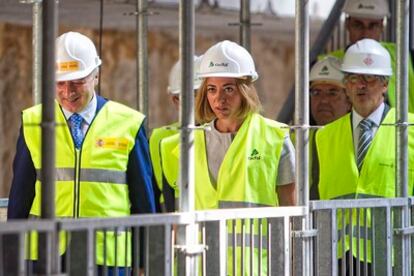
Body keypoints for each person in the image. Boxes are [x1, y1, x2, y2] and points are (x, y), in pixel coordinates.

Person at [7, 31, 156, 275]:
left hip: (107, 256)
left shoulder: (128, 123)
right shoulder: (34, 121)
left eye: (77, 81)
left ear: (96, 75)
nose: (68, 91)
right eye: (60, 83)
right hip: (45, 252)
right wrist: (11, 256)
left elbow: (143, 200)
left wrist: (146, 259)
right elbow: (20, 195)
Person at [161, 40, 296, 274]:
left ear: (245, 90)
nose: (219, 99)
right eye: (212, 89)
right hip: (201, 265)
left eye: (229, 89)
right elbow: (181, 214)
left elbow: (291, 209)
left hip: (254, 266)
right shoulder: (187, 144)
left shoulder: (275, 138)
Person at [315, 38, 414, 274]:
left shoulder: (409, 129)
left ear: (385, 84)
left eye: (369, 78)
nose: (361, 85)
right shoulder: (325, 136)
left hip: (394, 255)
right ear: (346, 86)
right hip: (338, 257)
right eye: (353, 78)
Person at [324, 0, 414, 113]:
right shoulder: (327, 63)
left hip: (404, 129)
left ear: (382, 25)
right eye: (358, 25)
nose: (365, 33)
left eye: (373, 25)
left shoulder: (406, 57)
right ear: (347, 24)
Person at [149, 55, 202, 212]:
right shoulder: (161, 139)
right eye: (195, 95)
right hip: (173, 225)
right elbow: (153, 194)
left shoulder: (224, 133)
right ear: (175, 100)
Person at [308, 56, 351, 199]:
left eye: (332, 92)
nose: (323, 100)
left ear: (349, 100)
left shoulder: (358, 137)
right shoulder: (297, 138)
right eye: (316, 92)